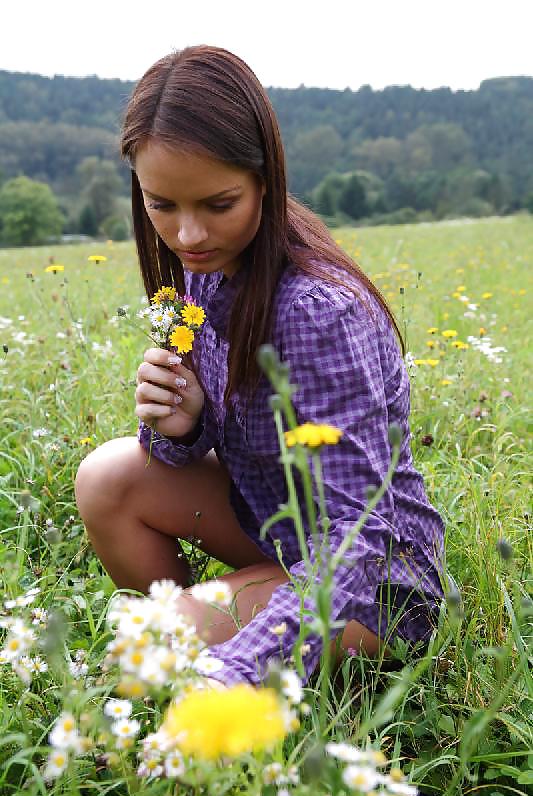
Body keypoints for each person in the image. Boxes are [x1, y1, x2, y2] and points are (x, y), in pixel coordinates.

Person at [75, 45, 445, 689]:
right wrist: (183, 427)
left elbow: (361, 530)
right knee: (107, 477)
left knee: (156, 640)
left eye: (218, 204)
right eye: (162, 205)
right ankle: (220, 617)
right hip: (273, 524)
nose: (188, 235)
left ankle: (226, 641)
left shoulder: (317, 311)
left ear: (265, 179)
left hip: (374, 581)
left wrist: (240, 664)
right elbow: (197, 452)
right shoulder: (207, 273)